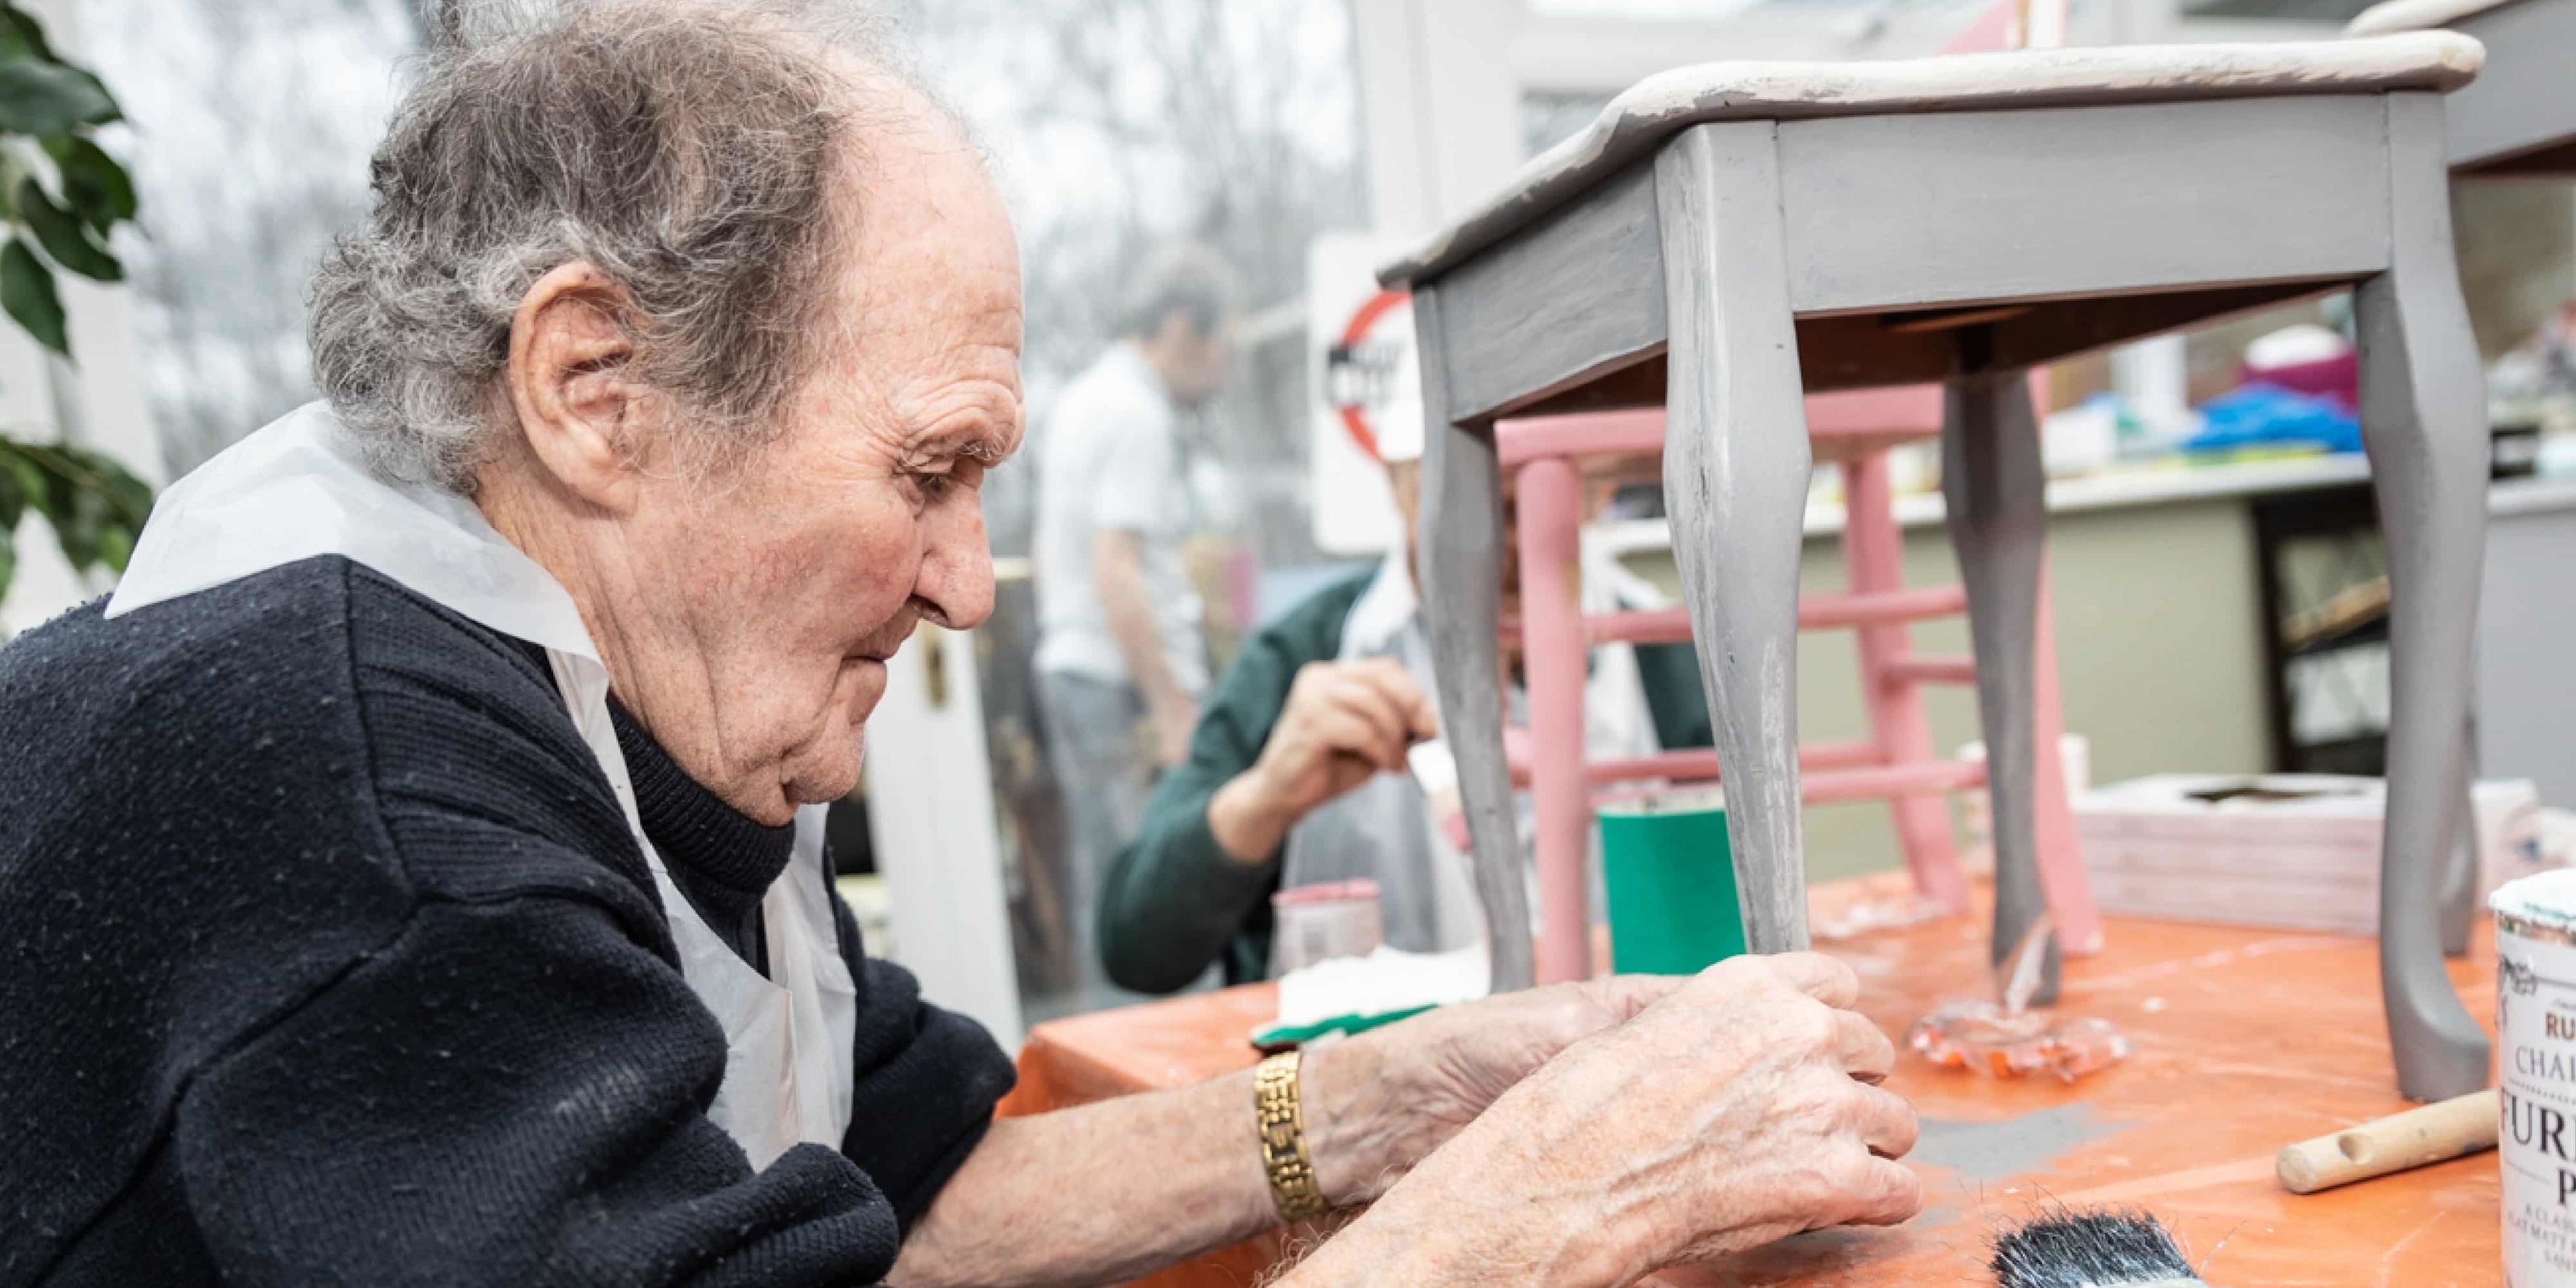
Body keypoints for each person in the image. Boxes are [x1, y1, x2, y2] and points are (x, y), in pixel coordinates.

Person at [0, 5, 1919, 1286]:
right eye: (930, 467)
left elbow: (917, 1186)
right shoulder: (355, 794)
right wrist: (1546, 1206)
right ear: (596, 389)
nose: (971, 583)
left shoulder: (604, 683)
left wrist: (1406, 1092)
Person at [1099, 454, 1717, 992]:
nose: (1506, 550)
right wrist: (1267, 798)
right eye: (1470, 505)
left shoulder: (1662, 654)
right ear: (1400, 483)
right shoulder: (1305, 656)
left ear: (1600, 487)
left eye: (1527, 506)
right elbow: (1136, 946)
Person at [1030, 242, 1237, 993]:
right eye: (1222, 344)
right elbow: (1115, 572)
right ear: (1182, 327)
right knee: (1149, 900)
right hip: (1118, 689)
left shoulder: (1088, 396)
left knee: (1108, 888)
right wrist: (1173, 708)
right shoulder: (1136, 413)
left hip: (1083, 675)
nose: (1224, 366)